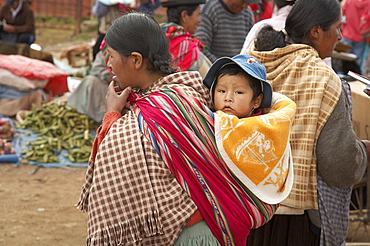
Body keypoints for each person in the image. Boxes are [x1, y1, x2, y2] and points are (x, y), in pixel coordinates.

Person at [77, 12, 296, 245]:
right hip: (212, 230)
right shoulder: (187, 91)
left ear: (136, 60)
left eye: (111, 56)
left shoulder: (152, 113)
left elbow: (110, 161)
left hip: (188, 237)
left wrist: (111, 115)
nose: (108, 64)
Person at [246, 0, 370, 245]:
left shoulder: (251, 65)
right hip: (299, 220)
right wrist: (365, 150)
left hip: (249, 210)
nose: (340, 36)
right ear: (316, 31)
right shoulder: (324, 79)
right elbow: (338, 166)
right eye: (337, 28)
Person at [204, 54, 273, 118]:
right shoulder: (206, 117)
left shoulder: (262, 126)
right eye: (222, 91)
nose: (228, 98)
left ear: (257, 101)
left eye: (238, 92)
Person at [194, 0, 260, 63]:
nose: (245, 6)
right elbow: (201, 47)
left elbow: (252, 46)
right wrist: (222, 66)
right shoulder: (209, 10)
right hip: (215, 68)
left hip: (241, 67)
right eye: (243, 1)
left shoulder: (247, 13)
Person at [160, 0, 212, 78]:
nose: (199, 20)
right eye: (197, 15)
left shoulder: (156, 39)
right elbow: (209, 80)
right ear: (184, 15)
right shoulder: (189, 48)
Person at [341, 0, 370, 74]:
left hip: (347, 34)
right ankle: (355, 76)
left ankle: (344, 74)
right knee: (358, 61)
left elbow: (341, 12)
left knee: (343, 57)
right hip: (361, 37)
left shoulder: (349, 1)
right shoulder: (368, 3)